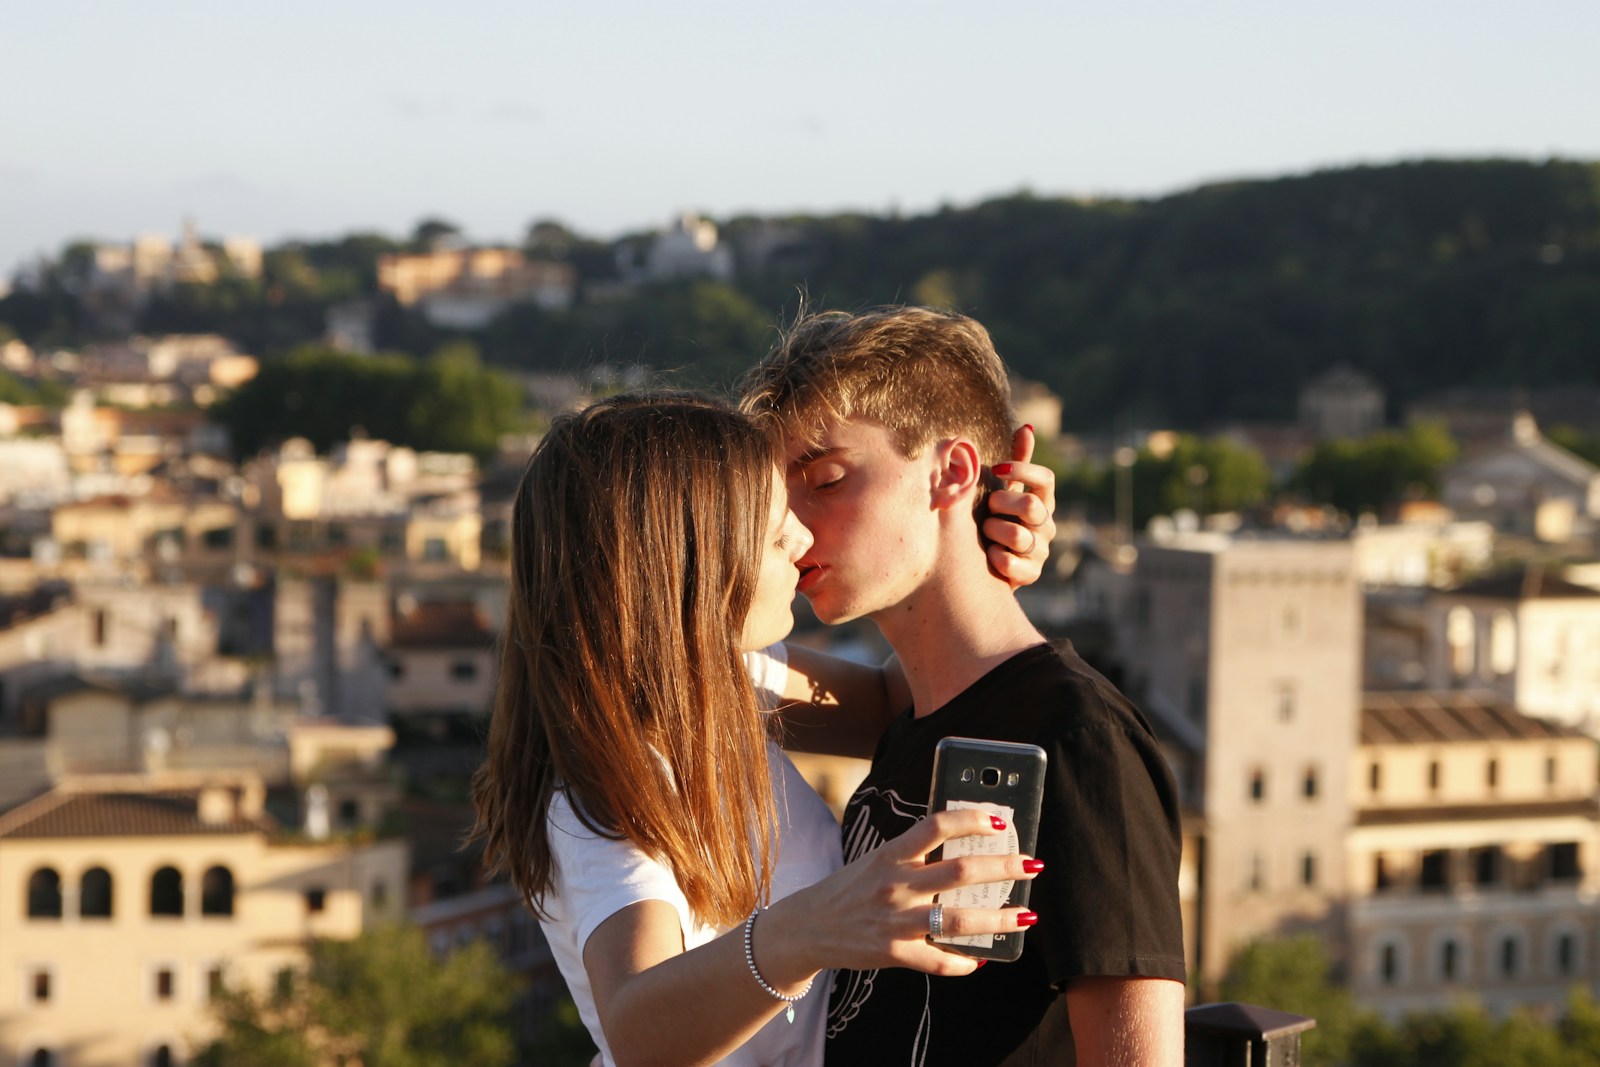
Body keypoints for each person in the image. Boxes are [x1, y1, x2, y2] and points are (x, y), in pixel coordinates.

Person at [468, 392, 1055, 1067]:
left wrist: (973, 545)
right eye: (777, 532)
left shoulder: (731, 679)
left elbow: (902, 696)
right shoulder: (608, 794)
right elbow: (635, 1024)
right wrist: (816, 927)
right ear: (689, 569)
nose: (803, 540)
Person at [740, 308, 1187, 1067]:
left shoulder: (1077, 735)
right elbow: (691, 678)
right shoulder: (912, 711)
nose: (792, 526)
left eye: (825, 479)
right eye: (780, 495)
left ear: (951, 472)